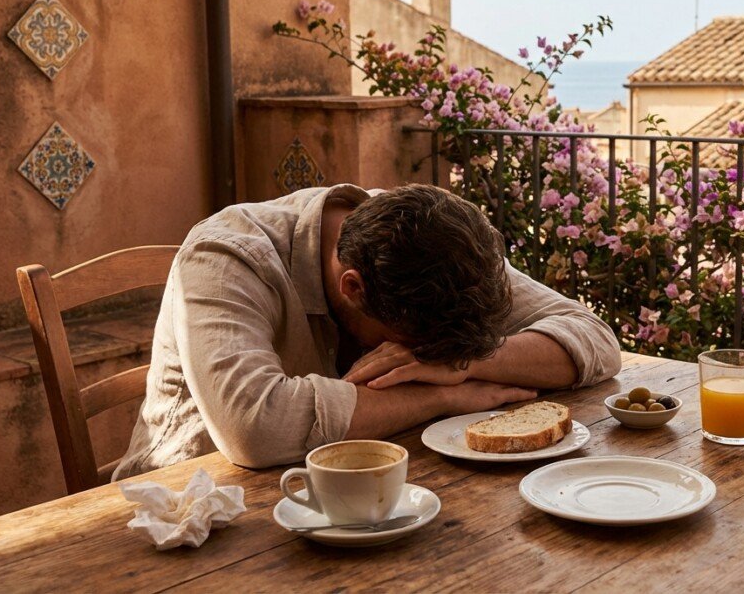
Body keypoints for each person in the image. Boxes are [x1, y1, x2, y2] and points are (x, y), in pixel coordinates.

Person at [114, 183, 621, 479]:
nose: (418, 360)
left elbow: (595, 338)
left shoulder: (427, 236)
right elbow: (256, 428)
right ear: (352, 286)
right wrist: (443, 398)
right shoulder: (227, 255)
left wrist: (460, 364)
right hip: (189, 509)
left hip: (354, 494)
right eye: (408, 343)